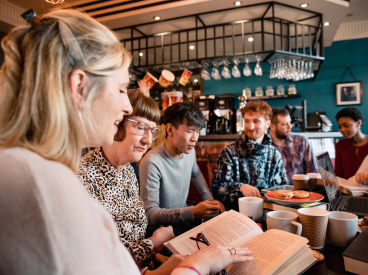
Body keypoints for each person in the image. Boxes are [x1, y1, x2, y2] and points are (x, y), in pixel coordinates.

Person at [0, 9, 252, 275]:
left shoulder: (36, 167)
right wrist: (196, 267)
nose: (124, 106)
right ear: (79, 87)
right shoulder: (43, 182)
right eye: (120, 89)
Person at [77, 90, 175, 270]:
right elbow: (97, 262)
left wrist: (158, 258)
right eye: (140, 128)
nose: (147, 141)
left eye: (152, 131)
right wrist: (153, 244)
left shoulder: (128, 171)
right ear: (117, 123)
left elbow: (131, 238)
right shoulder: (83, 178)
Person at [140, 102, 225, 235]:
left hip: (184, 220)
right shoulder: (152, 161)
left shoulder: (189, 152)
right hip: (162, 229)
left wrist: (211, 201)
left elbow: (196, 174)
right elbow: (149, 214)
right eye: (190, 131)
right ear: (170, 130)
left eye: (197, 132)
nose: (195, 138)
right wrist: (193, 212)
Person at [212, 101, 288, 211]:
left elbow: (282, 190)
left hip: (268, 213)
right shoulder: (229, 151)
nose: (250, 126)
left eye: (256, 121)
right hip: (236, 214)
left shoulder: (274, 155)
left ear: (267, 123)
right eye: (247, 121)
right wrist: (241, 188)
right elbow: (217, 190)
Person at [269, 107, 318, 185]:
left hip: (299, 191)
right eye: (284, 124)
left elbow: (314, 172)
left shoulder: (302, 141)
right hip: (273, 192)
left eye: (290, 122)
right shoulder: (264, 146)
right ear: (272, 126)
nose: (290, 127)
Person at [335, 107, 368, 179]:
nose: (342, 130)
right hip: (346, 188)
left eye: (346, 125)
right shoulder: (340, 145)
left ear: (359, 123)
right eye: (339, 127)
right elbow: (338, 175)